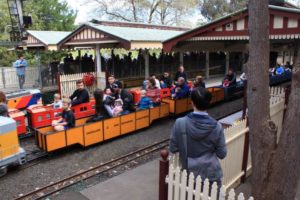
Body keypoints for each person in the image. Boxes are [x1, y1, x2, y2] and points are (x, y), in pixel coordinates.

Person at [169, 87, 227, 189]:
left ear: (192, 102)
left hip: (189, 174)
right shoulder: (217, 126)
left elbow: (173, 148)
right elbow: (222, 154)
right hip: (211, 174)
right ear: (209, 102)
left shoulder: (180, 123)